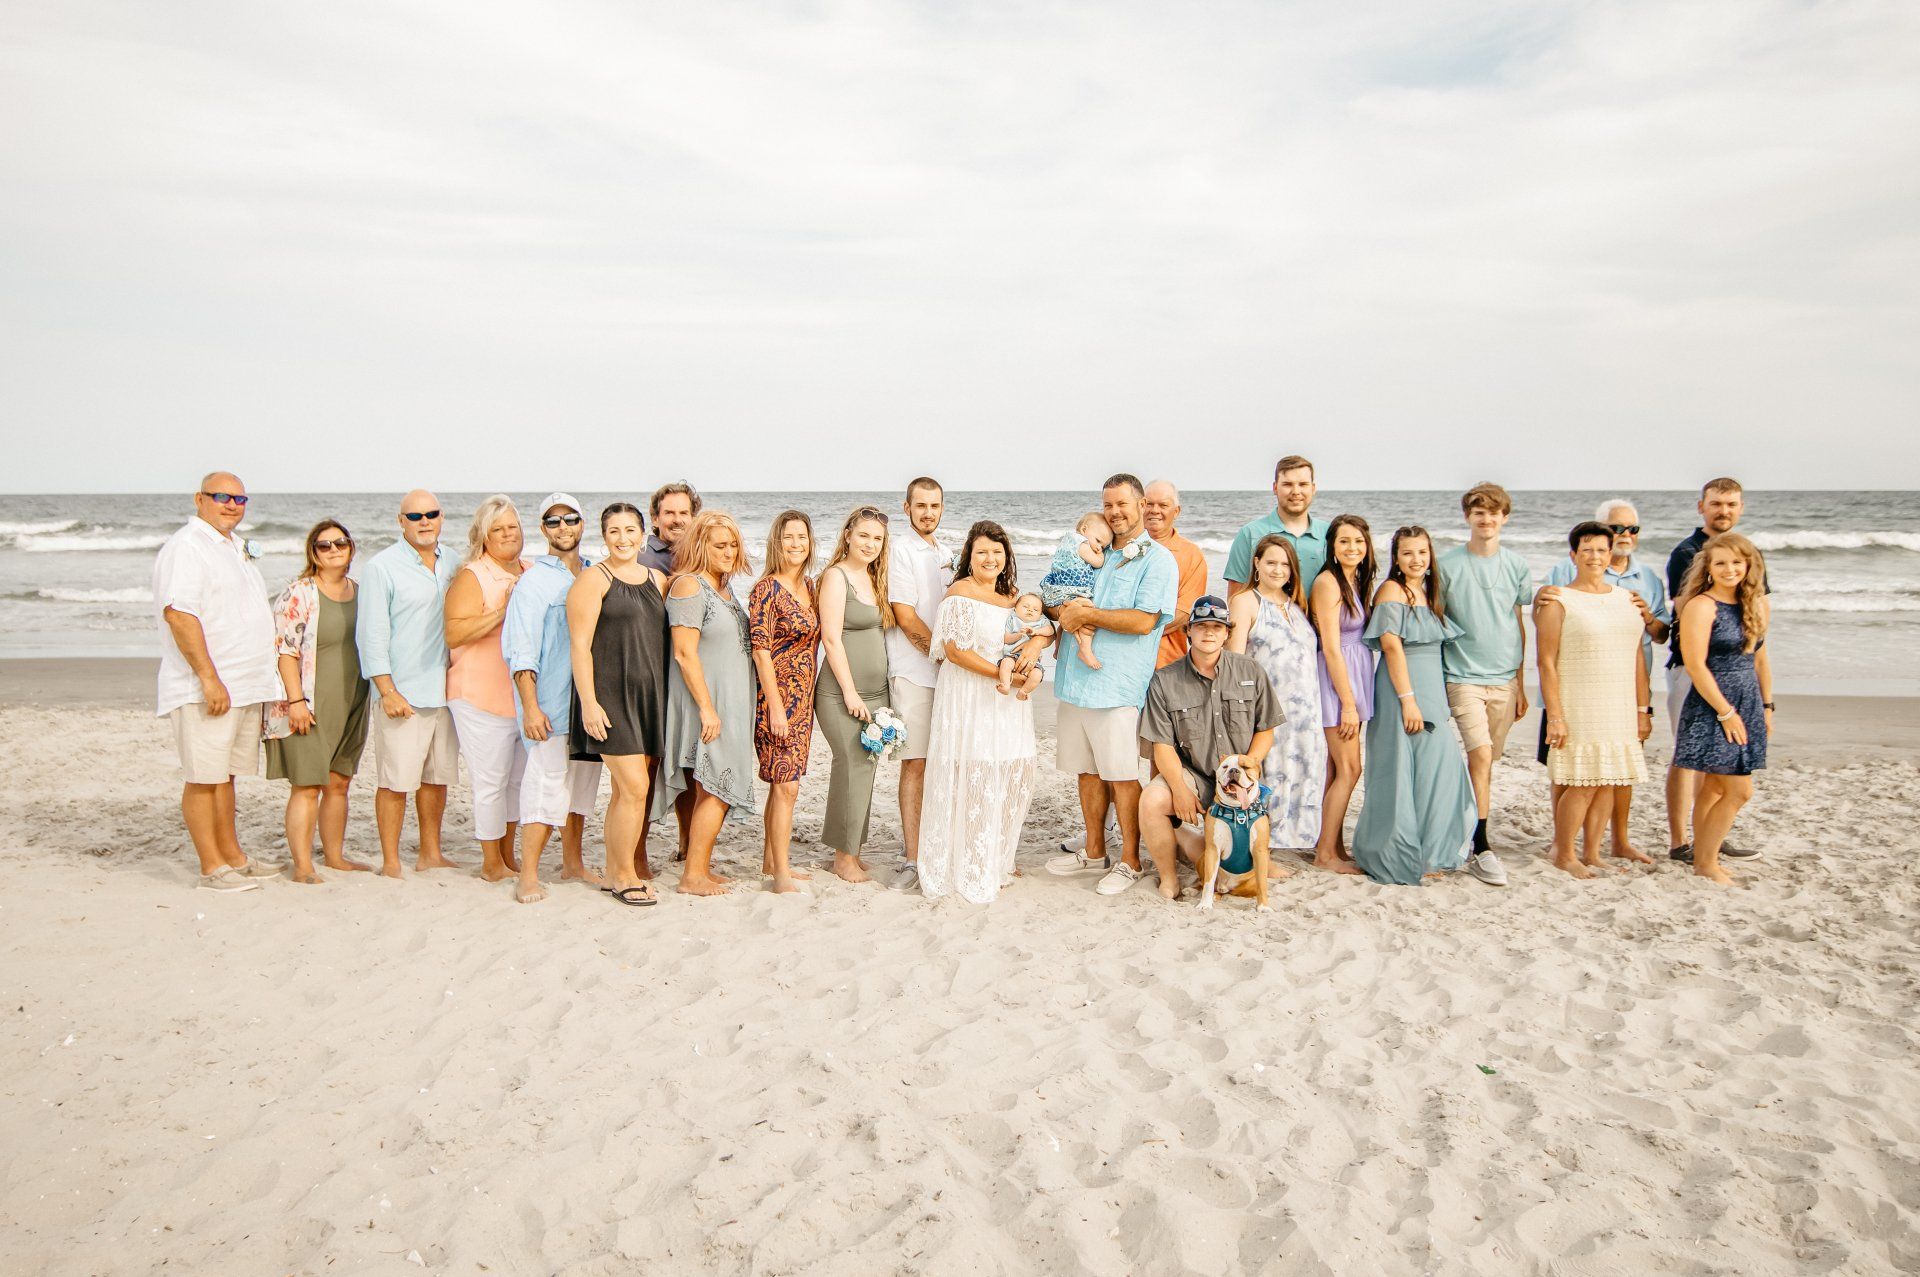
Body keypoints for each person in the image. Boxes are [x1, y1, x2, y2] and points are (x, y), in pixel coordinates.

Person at [1043, 474, 1178, 897]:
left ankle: (1130, 861)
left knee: (1121, 773)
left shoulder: (1157, 560)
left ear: (1141, 505)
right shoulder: (1092, 550)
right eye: (1108, 505)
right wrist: (1058, 607)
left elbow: (1143, 621)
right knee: (1086, 770)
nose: (1115, 512)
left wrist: (1086, 617)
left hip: (1116, 685)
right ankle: (1096, 850)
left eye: (1123, 504)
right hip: (1073, 680)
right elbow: (1060, 590)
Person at [153, 472, 282, 891]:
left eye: (240, 498)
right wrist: (209, 679)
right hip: (207, 687)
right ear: (200, 499)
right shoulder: (188, 547)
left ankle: (233, 856)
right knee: (203, 777)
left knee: (226, 776)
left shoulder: (231, 546)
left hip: (244, 684)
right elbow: (180, 613)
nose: (232, 505)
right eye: (222, 497)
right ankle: (211, 867)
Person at [917, 522, 1040, 902]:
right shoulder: (960, 593)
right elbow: (955, 651)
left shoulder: (1014, 597)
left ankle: (996, 857)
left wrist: (1038, 642)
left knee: (1012, 768)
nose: (990, 559)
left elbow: (1041, 626)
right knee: (973, 771)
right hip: (971, 695)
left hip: (1007, 701)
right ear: (970, 556)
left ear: (1007, 559)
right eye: (982, 551)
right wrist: (1000, 676)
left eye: (998, 553)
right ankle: (965, 862)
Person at [1543, 499, 1670, 862]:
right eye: (1587, 550)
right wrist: (1555, 714)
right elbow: (1546, 662)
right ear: (1573, 555)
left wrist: (1642, 710)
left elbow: (1637, 658)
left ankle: (1594, 853)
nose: (1595, 556)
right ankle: (1564, 853)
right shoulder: (1558, 598)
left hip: (1619, 705)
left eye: (1602, 549)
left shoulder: (1629, 599)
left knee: (1608, 782)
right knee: (1581, 781)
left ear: (1611, 552)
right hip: (1579, 702)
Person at [1350, 526, 1475, 885]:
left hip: (1430, 686)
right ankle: (1393, 853)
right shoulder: (1392, 590)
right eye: (1407, 553)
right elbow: (1391, 648)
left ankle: (1429, 851)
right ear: (1397, 558)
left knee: (1436, 767)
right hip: (1400, 689)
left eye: (1422, 552)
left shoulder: (1427, 591)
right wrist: (1408, 702)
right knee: (1401, 767)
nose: (1416, 560)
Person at [1140, 596, 1284, 902]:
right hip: (1196, 775)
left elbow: (1266, 729)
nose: (1209, 633)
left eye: (1217, 627)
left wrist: (1249, 770)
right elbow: (1162, 745)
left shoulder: (1251, 671)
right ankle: (1169, 879)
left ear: (1227, 633)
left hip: (1241, 779)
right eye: (1201, 626)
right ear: (1188, 632)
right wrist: (1178, 788)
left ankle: (1247, 861)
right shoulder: (1165, 681)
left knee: (1240, 850)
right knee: (1152, 800)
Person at [503, 493, 605, 905]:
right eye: (553, 522)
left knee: (581, 790)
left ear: (582, 525)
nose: (563, 528)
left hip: (592, 706)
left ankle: (573, 862)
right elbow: (521, 650)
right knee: (544, 788)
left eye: (570, 520)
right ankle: (527, 875)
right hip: (552, 706)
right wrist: (530, 706)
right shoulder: (533, 582)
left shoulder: (596, 574)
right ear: (543, 530)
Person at [357, 489, 462, 878]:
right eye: (414, 516)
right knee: (396, 781)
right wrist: (387, 690)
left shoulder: (453, 560)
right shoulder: (381, 567)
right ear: (400, 522)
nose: (424, 522)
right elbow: (371, 635)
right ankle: (391, 860)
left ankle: (430, 853)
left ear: (441, 517)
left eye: (430, 514)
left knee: (436, 779)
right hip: (402, 692)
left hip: (446, 690)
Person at [569, 502, 670, 907]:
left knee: (623, 793)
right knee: (635, 787)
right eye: (614, 531)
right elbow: (579, 646)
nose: (623, 539)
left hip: (649, 699)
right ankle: (626, 874)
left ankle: (613, 871)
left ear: (643, 534)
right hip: (611, 698)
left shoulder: (659, 580)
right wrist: (589, 703)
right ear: (604, 536)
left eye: (631, 530)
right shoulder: (593, 580)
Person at [655, 510, 759, 896]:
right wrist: (707, 708)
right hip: (707, 704)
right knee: (715, 786)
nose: (729, 552)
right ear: (701, 546)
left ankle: (699, 867)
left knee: (707, 787)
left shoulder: (724, 590)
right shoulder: (689, 587)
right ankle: (693, 875)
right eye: (720, 545)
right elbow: (684, 653)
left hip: (728, 701)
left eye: (733, 544)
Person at [1436, 482, 1533, 887]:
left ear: (1504, 518)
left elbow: (1518, 622)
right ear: (1468, 517)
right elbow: (1436, 620)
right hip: (1462, 676)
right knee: (1479, 757)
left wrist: (1522, 682)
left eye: (1494, 512)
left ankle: (1468, 824)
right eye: (1479, 512)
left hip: (1505, 679)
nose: (1486, 518)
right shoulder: (1448, 565)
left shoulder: (1516, 565)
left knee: (1488, 762)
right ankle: (1482, 845)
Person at [264, 519, 371, 884]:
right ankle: (303, 865)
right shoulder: (300, 593)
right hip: (309, 700)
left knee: (339, 782)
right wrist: (296, 701)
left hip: (353, 697)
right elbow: (285, 652)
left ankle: (336, 856)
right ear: (313, 552)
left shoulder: (362, 591)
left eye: (340, 543)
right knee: (307, 785)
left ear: (351, 548)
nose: (333, 550)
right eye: (324, 545)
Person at [1664, 477, 1763, 865]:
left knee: (1719, 762)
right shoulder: (1685, 552)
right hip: (1695, 666)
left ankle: (1710, 837)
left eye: (1732, 504)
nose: (1724, 510)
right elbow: (1686, 612)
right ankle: (1680, 841)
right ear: (1701, 506)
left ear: (1741, 508)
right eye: (1717, 503)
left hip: (1735, 668)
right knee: (1688, 756)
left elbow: (1754, 611)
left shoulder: (1745, 552)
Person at [1672, 533, 1772, 885]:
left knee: (1715, 787)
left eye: (1736, 562)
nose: (1730, 569)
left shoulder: (1757, 603)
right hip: (1713, 703)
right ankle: (1706, 864)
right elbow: (1696, 665)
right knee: (1739, 790)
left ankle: (1705, 859)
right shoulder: (1701, 605)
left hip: (1747, 699)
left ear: (1748, 565)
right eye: (1721, 563)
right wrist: (1726, 712)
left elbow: (1760, 657)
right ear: (1709, 568)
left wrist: (1766, 705)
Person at [444, 495, 530, 882]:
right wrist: (502, 611)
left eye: (512, 527)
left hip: (519, 700)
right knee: (490, 782)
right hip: (478, 696)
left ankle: (508, 855)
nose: (507, 534)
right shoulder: (472, 575)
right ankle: (491, 862)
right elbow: (454, 631)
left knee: (516, 782)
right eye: (498, 529)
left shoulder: (529, 570)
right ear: (483, 536)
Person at [1227, 535, 1325, 859]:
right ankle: (1260, 854)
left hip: (1307, 713)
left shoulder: (1296, 605)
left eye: (1285, 564)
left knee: (1302, 778)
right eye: (1271, 562)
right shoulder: (1246, 601)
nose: (1278, 569)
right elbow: (1235, 660)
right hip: (1268, 711)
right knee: (1267, 782)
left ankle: (1283, 848)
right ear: (1256, 564)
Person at [815, 506, 894, 884]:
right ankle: (841, 858)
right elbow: (831, 638)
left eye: (877, 538)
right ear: (848, 534)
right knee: (850, 765)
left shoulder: (875, 578)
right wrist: (849, 692)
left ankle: (853, 852)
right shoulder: (836, 576)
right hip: (840, 692)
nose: (869, 543)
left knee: (866, 769)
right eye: (863, 535)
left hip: (876, 693)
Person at [749, 510, 819, 894]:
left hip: (803, 700)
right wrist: (775, 706)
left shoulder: (809, 586)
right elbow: (760, 651)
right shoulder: (765, 589)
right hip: (776, 700)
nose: (796, 544)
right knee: (785, 786)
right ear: (777, 543)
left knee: (784, 785)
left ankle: (771, 862)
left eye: (802, 538)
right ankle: (782, 875)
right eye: (789, 537)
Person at [885, 477, 950, 893]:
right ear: (906, 508)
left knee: (943, 764)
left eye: (935, 505)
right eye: (921, 505)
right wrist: (941, 658)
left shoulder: (946, 553)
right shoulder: (899, 550)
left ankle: (937, 848)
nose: (928, 512)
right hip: (914, 671)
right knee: (916, 763)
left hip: (948, 674)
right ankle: (912, 858)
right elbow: (906, 617)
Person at [1307, 514, 1375, 875]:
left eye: (1359, 542)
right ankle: (1325, 854)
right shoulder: (1328, 583)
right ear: (1332, 546)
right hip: (1337, 681)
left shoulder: (1356, 580)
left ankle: (1331, 844)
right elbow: (1331, 648)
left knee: (1337, 768)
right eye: (1345, 541)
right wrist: (1348, 702)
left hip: (1355, 675)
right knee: (1350, 768)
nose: (1352, 548)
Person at [1225, 455, 1331, 598]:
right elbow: (1235, 596)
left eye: (1303, 484)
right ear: (1275, 488)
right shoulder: (1250, 533)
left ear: (1313, 488)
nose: (1296, 491)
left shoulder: (1330, 534)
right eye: (1287, 484)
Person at [1142, 480, 1210, 667]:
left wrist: (1129, 630)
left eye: (1163, 505)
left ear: (1176, 511)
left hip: (1167, 664)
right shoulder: (1121, 547)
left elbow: (1182, 614)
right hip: (1118, 664)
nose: (1155, 510)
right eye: (1149, 503)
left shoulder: (1191, 554)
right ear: (1140, 506)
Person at [1037, 512, 1115, 669]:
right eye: (1098, 541)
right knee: (1085, 613)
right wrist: (1104, 555)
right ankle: (1085, 650)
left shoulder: (1068, 540)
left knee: (1064, 622)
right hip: (1070, 591)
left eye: (1104, 546)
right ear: (1084, 530)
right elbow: (1098, 563)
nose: (1099, 548)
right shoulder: (1082, 545)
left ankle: (1058, 647)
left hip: (1057, 589)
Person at [996, 593, 1052, 698]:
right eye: (1025, 607)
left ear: (1040, 614)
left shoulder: (1041, 622)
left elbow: (1050, 631)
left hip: (1032, 661)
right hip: (1012, 655)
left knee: (1037, 674)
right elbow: (1006, 639)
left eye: (1035, 610)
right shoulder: (1013, 620)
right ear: (1015, 609)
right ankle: (1005, 685)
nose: (1030, 610)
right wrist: (1017, 636)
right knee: (1005, 663)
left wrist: (1036, 632)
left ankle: (1024, 691)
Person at [640, 482, 700, 575]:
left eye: (683, 513)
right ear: (655, 519)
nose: (677, 520)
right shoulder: (642, 557)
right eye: (669, 513)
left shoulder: (700, 554)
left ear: (693, 519)